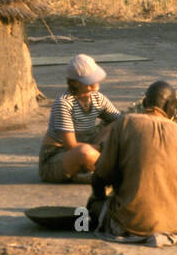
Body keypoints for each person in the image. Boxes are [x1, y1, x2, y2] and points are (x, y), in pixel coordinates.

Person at [89, 81, 177, 247]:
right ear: (172, 106)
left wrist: (99, 199)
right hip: (175, 224)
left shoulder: (124, 124)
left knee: (94, 206)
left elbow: (101, 176)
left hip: (131, 223)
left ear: (145, 103)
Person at [39, 54, 122, 183]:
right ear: (75, 83)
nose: (95, 83)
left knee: (116, 125)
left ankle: (93, 170)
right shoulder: (64, 103)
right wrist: (103, 148)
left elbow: (120, 120)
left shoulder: (97, 98)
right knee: (85, 153)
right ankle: (109, 169)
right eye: (89, 80)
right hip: (58, 157)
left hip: (91, 145)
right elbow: (71, 145)